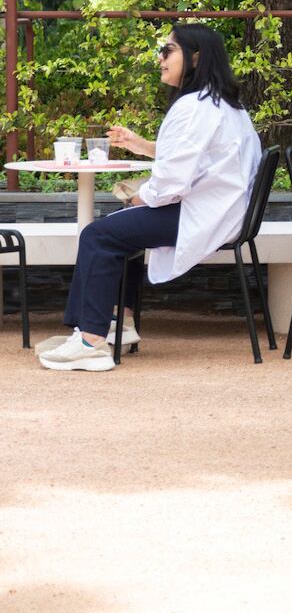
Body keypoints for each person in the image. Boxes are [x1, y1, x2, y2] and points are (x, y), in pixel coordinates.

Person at [37, 24, 261, 372]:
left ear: (195, 56)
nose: (160, 57)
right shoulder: (226, 106)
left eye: (168, 50)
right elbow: (195, 156)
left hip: (201, 214)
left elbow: (172, 180)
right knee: (117, 228)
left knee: (99, 235)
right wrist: (141, 148)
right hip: (222, 212)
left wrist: (142, 198)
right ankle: (116, 325)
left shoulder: (193, 107)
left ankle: (90, 341)